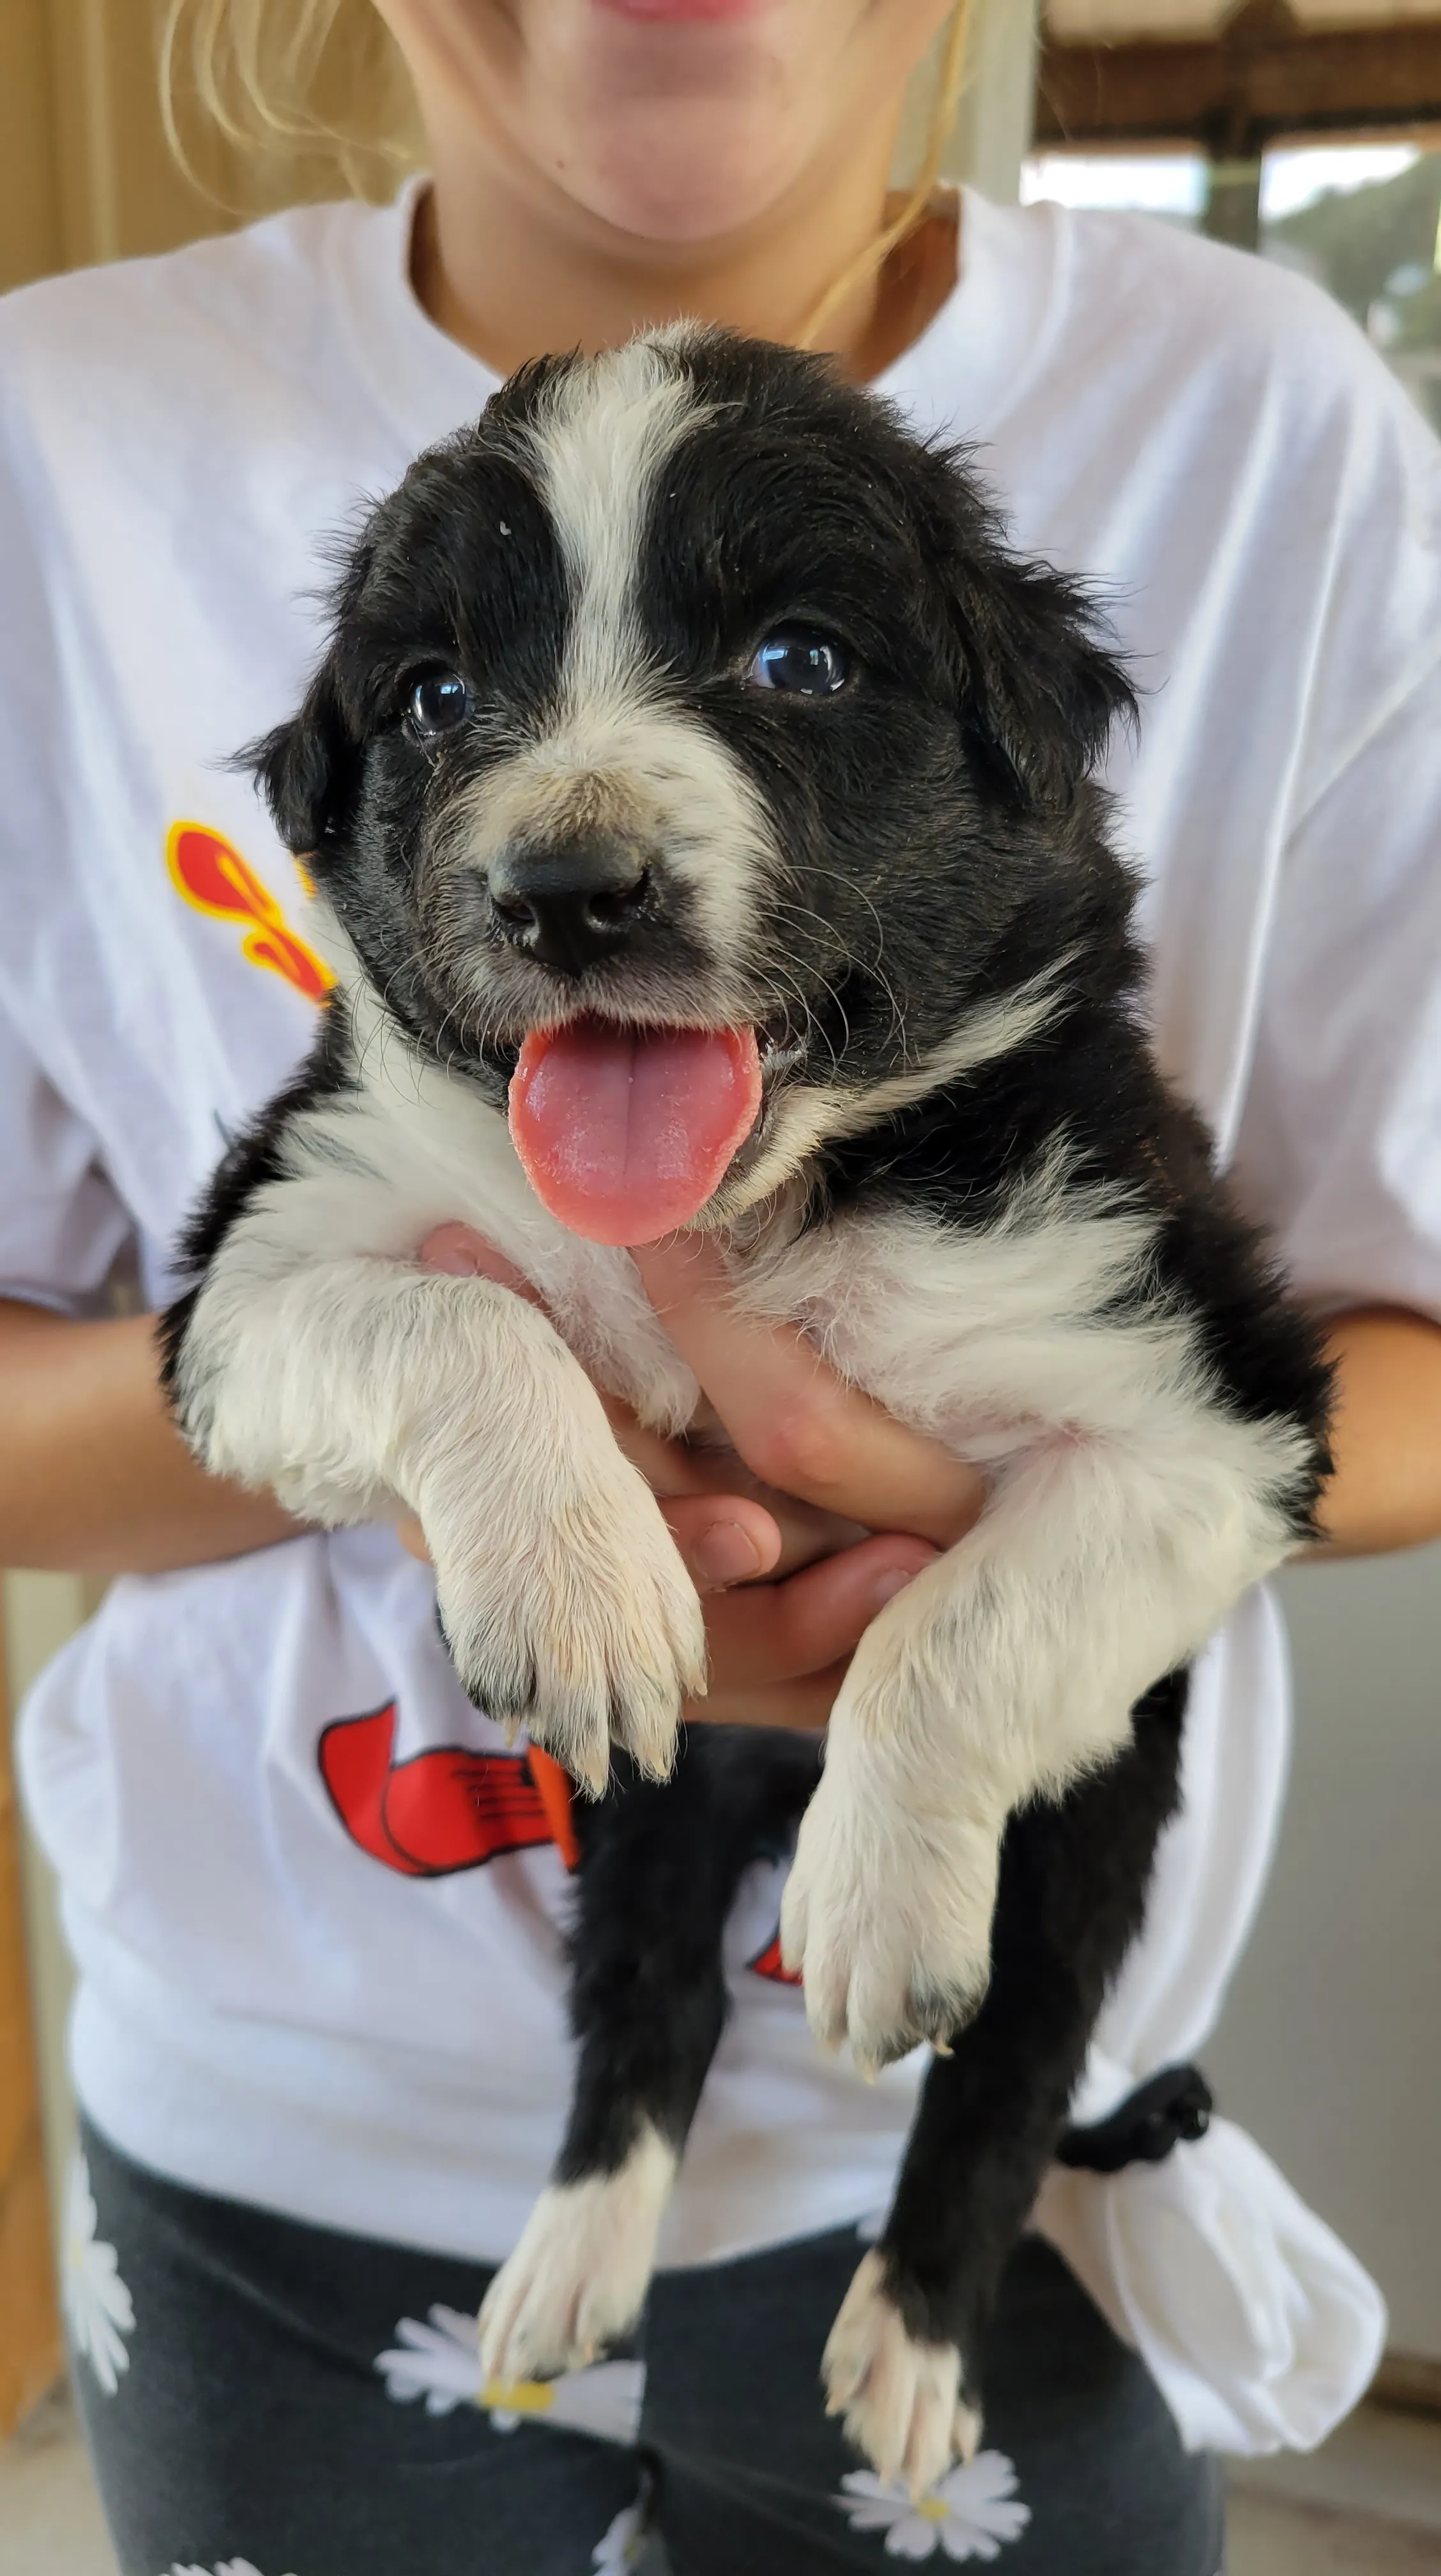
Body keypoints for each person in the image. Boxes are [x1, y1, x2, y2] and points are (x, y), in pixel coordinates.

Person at [3, 2, 1440, 2569]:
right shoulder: (53, 433)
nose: (567, 837)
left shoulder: (1274, 423)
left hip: (1006, 2132)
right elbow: (237, 1326)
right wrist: (479, 1406)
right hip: (270, 2152)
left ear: (1019, 741)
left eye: (789, 665)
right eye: (447, 706)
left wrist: (954, 1598)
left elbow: (1338, 1388)